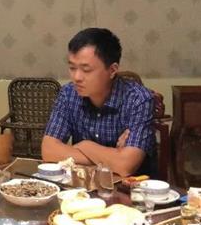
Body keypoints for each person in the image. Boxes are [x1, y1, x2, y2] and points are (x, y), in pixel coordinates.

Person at [41, 28, 156, 176]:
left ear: (112, 70)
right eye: (72, 68)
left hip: (131, 186)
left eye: (86, 70)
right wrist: (113, 157)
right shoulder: (68, 93)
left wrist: (85, 146)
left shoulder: (138, 99)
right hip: (84, 183)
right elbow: (48, 151)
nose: (76, 77)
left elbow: (126, 166)